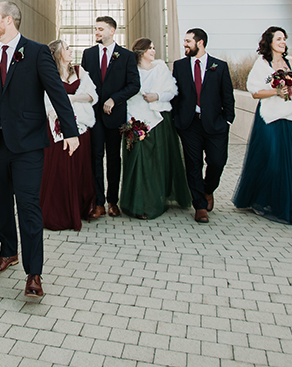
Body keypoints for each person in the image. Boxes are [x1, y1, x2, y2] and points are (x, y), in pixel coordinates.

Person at [0, 2, 79, 298]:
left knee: (28, 206)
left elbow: (56, 92)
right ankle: (7, 252)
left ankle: (34, 274)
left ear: (7, 20)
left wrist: (71, 131)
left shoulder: (37, 52)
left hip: (28, 144)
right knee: (0, 201)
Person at [231, 27, 292, 227]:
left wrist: (291, 91)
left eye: (284, 38)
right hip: (268, 117)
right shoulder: (262, 64)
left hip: (290, 116)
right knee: (271, 159)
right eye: (278, 38)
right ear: (270, 42)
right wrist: (275, 91)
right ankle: (265, 200)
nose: (283, 42)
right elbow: (255, 92)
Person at [119, 39, 192, 219]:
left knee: (156, 164)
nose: (153, 51)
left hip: (158, 120)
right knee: (138, 163)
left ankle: (154, 201)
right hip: (135, 120)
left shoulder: (161, 69)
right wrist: (130, 121)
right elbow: (126, 94)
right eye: (149, 48)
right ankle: (136, 203)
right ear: (140, 51)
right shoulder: (131, 70)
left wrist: (156, 96)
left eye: (153, 47)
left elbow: (172, 91)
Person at [172, 28, 235, 223]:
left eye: (188, 41)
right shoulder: (180, 66)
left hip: (216, 124)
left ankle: (208, 189)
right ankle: (199, 206)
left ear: (200, 43)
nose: (185, 44)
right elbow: (176, 95)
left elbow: (228, 96)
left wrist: (227, 120)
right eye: (184, 41)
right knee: (193, 165)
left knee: (217, 162)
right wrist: (177, 120)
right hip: (189, 124)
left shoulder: (220, 66)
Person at [80, 16, 140, 218]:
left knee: (114, 159)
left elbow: (134, 85)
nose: (97, 32)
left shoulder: (126, 56)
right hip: (94, 116)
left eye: (101, 29)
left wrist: (115, 99)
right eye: (95, 29)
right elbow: (84, 84)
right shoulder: (88, 54)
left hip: (115, 117)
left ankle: (113, 201)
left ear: (112, 31)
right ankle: (98, 203)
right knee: (95, 158)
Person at [40, 39, 98, 231]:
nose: (71, 50)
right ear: (57, 54)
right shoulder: (49, 74)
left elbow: (92, 95)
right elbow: (47, 101)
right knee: (59, 170)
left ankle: (81, 209)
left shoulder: (80, 71)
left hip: (81, 128)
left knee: (80, 169)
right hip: (57, 128)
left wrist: (70, 99)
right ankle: (59, 214)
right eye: (67, 48)